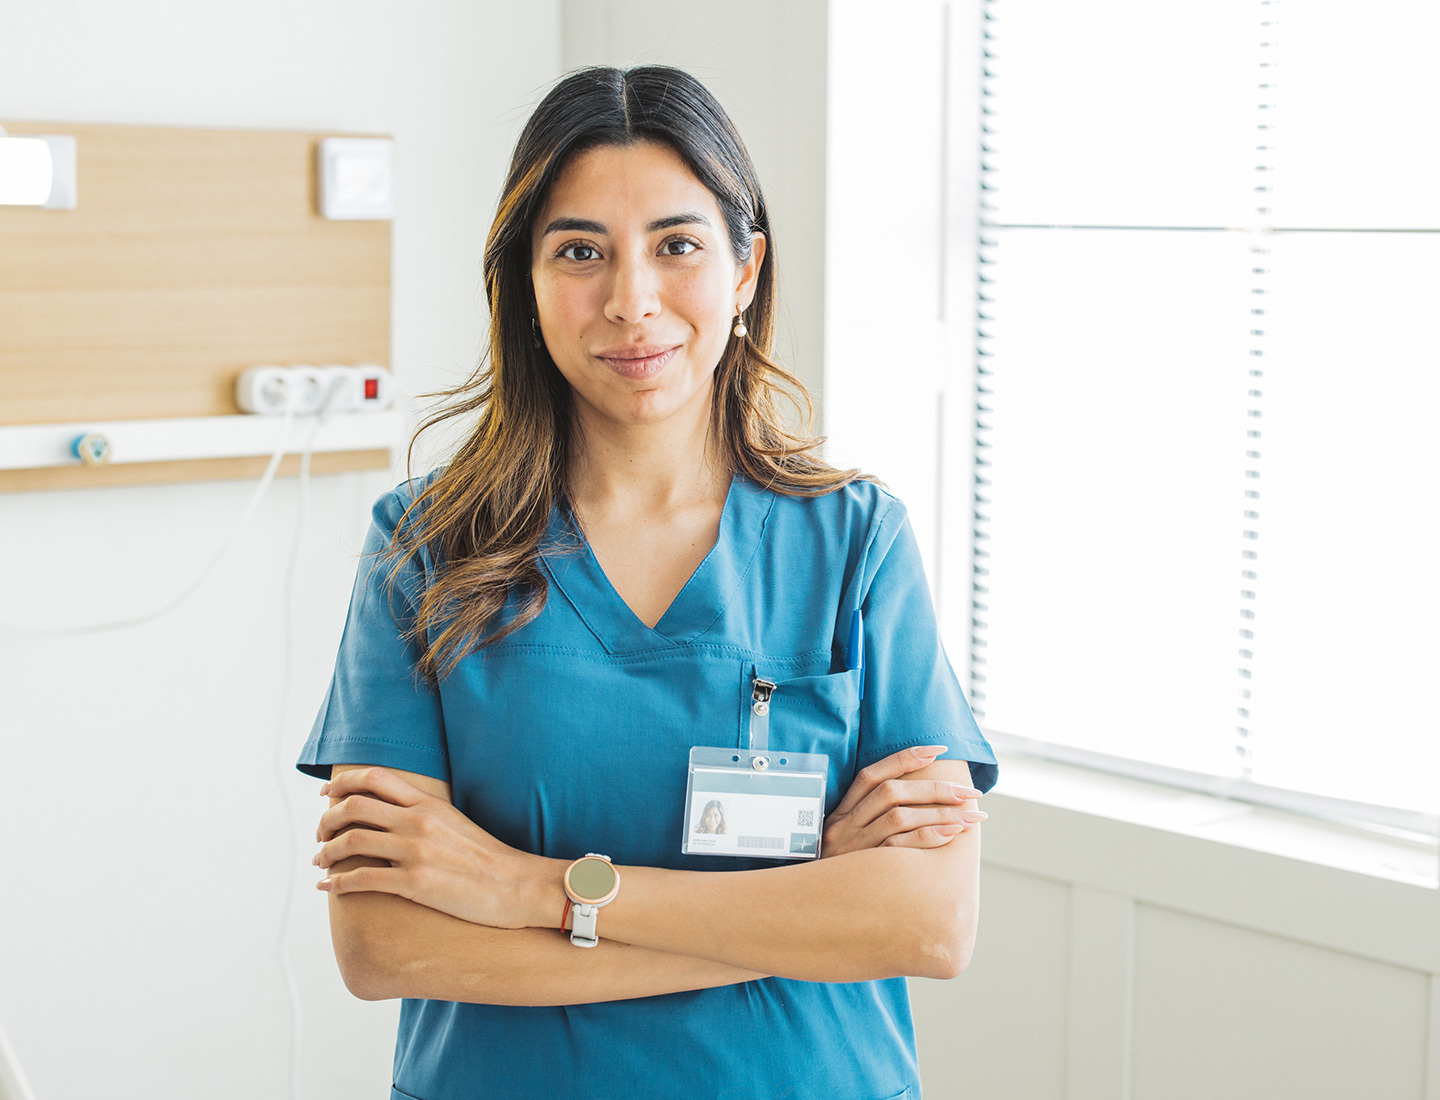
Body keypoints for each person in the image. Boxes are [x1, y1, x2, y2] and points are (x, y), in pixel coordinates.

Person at [299, 64, 998, 1100]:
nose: (632, 302)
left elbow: (929, 921)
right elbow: (383, 943)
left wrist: (522, 887)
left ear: (746, 267)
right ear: (524, 284)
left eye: (678, 245)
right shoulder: (427, 549)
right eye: (580, 251)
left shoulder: (855, 545)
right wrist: (801, 915)